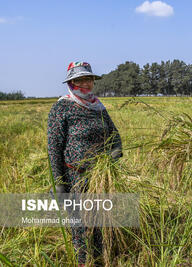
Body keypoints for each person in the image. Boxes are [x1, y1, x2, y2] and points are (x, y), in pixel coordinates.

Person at [47, 61, 122, 266]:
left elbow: (115, 135)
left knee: (98, 222)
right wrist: (59, 183)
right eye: (80, 80)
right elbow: (53, 149)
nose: (86, 84)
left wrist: (115, 151)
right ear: (71, 82)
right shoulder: (62, 107)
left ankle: (97, 260)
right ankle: (82, 262)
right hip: (74, 178)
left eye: (88, 79)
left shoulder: (98, 107)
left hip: (98, 178)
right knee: (79, 226)